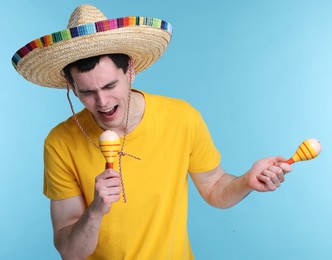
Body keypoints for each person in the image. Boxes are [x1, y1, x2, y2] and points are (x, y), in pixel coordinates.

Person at [12, 4, 292, 260]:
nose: (103, 102)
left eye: (110, 86)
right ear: (72, 88)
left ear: (131, 71)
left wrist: (247, 181)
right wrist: (96, 210)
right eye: (87, 92)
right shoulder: (60, 142)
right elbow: (70, 252)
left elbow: (215, 189)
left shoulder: (181, 118)